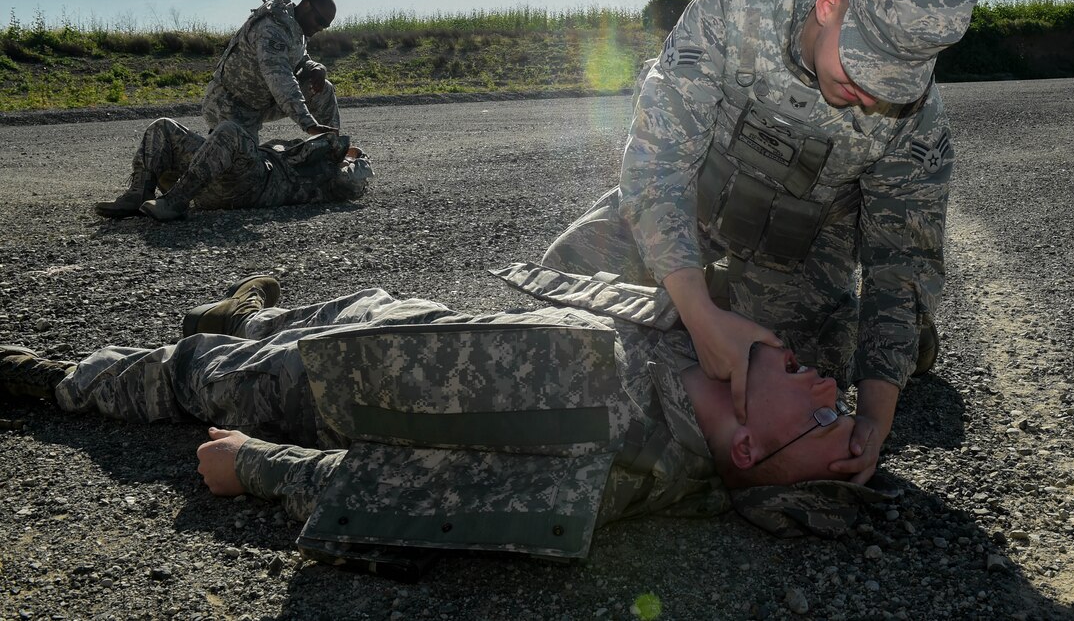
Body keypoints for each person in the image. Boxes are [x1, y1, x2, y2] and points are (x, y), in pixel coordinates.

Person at [0, 265, 886, 572]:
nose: (825, 388)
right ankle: (239, 314)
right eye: (840, 401)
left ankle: (50, 380)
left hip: (325, 391)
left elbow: (419, 502)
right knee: (279, 320)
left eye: (824, 417)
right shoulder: (698, 345)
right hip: (395, 321)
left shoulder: (616, 462)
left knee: (195, 373)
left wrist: (258, 464)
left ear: (746, 444)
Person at [541, 0, 978, 486]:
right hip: (692, 213)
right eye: (864, 70)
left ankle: (889, 342)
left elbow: (903, 263)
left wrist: (875, 411)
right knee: (568, 280)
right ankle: (709, 305)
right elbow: (657, 168)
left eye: (894, 85)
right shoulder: (730, 20)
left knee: (791, 369)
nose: (872, 97)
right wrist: (699, 319)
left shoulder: (918, 124)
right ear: (828, 5)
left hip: (794, 255)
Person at [93, 117, 371, 221]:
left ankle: (176, 201)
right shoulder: (312, 154)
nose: (348, 151)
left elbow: (355, 178)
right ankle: (139, 194)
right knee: (163, 127)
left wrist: (352, 158)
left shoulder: (331, 176)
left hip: (260, 184)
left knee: (231, 131)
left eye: (351, 155)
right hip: (230, 178)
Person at [203, 0, 340, 141]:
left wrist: (316, 67)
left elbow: (299, 59)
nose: (320, 28)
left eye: (325, 25)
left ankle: (332, 147)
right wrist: (309, 124)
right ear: (307, 6)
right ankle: (214, 142)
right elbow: (281, 80)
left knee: (323, 89)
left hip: (262, 103)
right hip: (231, 105)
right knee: (242, 159)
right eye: (320, 20)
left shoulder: (297, 28)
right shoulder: (272, 27)